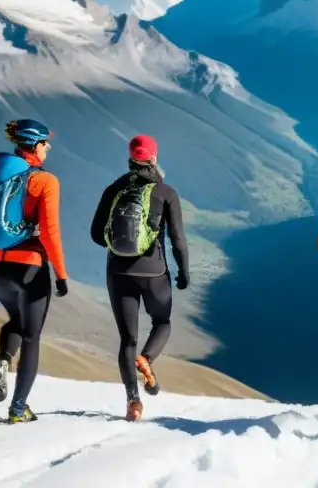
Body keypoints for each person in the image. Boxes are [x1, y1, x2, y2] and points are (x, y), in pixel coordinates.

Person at [0, 118, 69, 424]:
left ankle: (3, 359)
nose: (48, 147)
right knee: (32, 337)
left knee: (16, 322)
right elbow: (49, 232)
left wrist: (0, 241)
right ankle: (19, 408)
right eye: (45, 142)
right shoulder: (45, 181)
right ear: (34, 144)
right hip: (31, 268)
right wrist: (61, 274)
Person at [90, 134, 190, 422]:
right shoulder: (166, 192)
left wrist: (120, 241)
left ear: (130, 159)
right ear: (154, 159)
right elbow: (178, 241)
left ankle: (133, 402)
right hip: (154, 271)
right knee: (162, 322)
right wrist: (183, 273)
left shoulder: (114, 189)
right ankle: (147, 359)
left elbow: (97, 235)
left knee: (127, 339)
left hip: (118, 272)